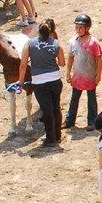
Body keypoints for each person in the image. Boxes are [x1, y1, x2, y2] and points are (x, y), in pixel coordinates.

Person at [16, 20, 66, 149]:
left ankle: (50, 138)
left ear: (38, 32)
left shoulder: (29, 44)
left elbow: (23, 65)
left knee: (46, 109)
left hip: (39, 81)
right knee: (56, 107)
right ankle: (58, 134)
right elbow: (62, 63)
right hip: (55, 79)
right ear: (51, 32)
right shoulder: (57, 44)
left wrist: (20, 81)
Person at [63, 13, 102, 130]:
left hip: (90, 76)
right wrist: (68, 72)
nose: (78, 30)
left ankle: (92, 121)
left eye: (81, 28)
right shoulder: (73, 42)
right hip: (77, 77)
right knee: (74, 98)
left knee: (91, 99)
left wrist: (98, 75)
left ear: (87, 28)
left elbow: (99, 59)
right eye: (77, 27)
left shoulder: (93, 42)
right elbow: (70, 58)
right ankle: (70, 120)